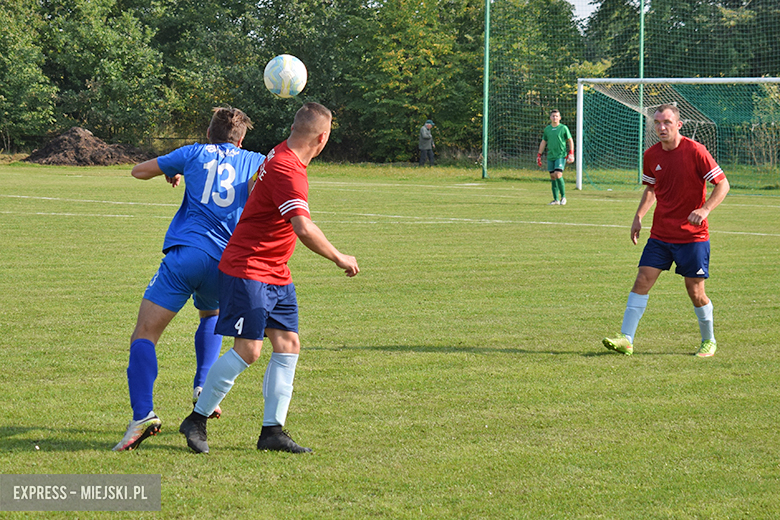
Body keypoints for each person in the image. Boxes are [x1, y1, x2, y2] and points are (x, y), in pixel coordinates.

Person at [179, 102, 360, 454]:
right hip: (248, 268)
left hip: (275, 270)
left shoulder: (279, 153)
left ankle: (272, 431)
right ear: (322, 138)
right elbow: (303, 227)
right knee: (248, 351)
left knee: (288, 345)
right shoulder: (288, 169)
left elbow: (250, 188)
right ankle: (197, 419)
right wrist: (340, 257)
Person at [113, 107, 266, 451]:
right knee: (210, 315)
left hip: (187, 256)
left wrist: (173, 170)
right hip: (227, 262)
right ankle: (202, 386)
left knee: (145, 333)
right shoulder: (256, 160)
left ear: (209, 133)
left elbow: (138, 172)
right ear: (241, 139)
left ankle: (143, 415)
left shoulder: (192, 152)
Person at [602, 104, 730, 358]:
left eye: (667, 122)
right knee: (642, 280)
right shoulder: (651, 155)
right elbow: (651, 189)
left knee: (695, 292)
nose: (661, 127)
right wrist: (638, 216)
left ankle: (709, 340)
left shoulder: (696, 151)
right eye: (657, 122)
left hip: (692, 237)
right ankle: (626, 339)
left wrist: (704, 210)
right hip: (661, 235)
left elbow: (723, 184)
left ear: (678, 125)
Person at [537, 109, 574, 205]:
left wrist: (571, 153)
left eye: (557, 116)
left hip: (561, 155)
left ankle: (563, 197)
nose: (555, 118)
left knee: (558, 174)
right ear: (550, 117)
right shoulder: (547, 129)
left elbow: (570, 140)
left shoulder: (563, 128)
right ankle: (556, 199)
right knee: (553, 176)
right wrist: (539, 155)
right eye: (553, 116)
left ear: (560, 118)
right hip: (551, 156)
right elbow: (543, 142)